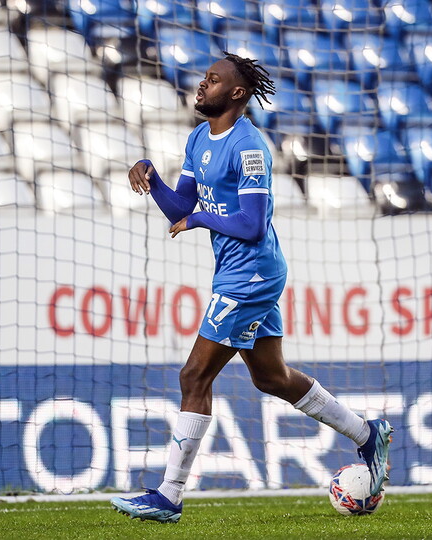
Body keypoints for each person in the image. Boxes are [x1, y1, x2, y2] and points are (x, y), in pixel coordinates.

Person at [110, 52, 393, 524]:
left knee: (193, 377)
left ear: (236, 93)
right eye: (204, 78)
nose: (202, 86)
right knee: (270, 378)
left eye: (213, 80)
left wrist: (200, 217)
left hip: (252, 273)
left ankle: (169, 495)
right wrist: (151, 176)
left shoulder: (249, 147)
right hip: (238, 271)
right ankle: (367, 434)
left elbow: (253, 223)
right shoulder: (199, 137)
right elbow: (180, 205)